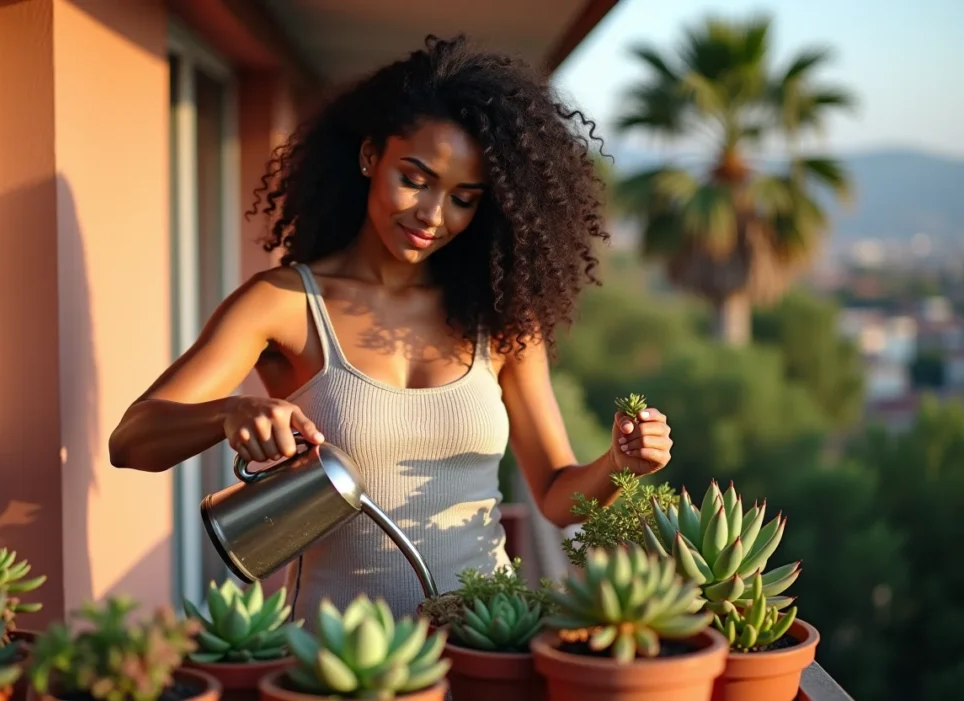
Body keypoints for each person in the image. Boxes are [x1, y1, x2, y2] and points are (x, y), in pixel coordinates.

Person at [108, 35, 672, 624]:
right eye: (416, 178)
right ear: (371, 156)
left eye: (463, 198)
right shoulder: (284, 304)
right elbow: (132, 440)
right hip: (341, 655)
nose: (432, 215)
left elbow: (557, 496)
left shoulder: (500, 320)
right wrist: (227, 413)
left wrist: (618, 464)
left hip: (485, 640)